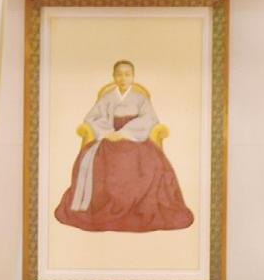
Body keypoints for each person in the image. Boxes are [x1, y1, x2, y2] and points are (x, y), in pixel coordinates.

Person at [54, 59, 193, 232]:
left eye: (127, 74)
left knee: (151, 164)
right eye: (119, 74)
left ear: (133, 76)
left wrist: (125, 132)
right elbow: (91, 118)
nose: (123, 78)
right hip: (108, 138)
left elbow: (149, 119)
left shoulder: (140, 98)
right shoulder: (107, 98)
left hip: (136, 139)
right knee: (94, 162)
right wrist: (108, 132)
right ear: (113, 76)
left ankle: (138, 207)